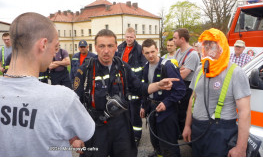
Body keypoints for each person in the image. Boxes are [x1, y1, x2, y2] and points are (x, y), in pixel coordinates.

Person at [0, 12, 95, 156]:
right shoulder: (62, 98)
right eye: (55, 46)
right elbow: (87, 132)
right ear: (43, 44)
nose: (54, 52)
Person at [74, 29, 179, 157]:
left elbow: (140, 88)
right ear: (95, 47)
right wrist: (75, 136)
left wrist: (158, 85)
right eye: (101, 46)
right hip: (95, 127)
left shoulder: (122, 67)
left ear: (116, 47)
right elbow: (75, 103)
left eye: (110, 46)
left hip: (121, 125)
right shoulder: (86, 69)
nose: (106, 50)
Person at [182, 28, 251, 157]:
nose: (209, 51)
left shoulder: (235, 72)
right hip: (198, 130)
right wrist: (187, 126)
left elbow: (244, 112)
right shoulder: (200, 70)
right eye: (206, 47)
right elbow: (193, 98)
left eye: (213, 47)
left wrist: (241, 148)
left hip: (220, 133)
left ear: (222, 48)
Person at [140, 39, 186, 157]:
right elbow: (146, 89)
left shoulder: (168, 66)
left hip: (167, 111)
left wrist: (166, 103)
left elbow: (181, 90)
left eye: (152, 52)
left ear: (157, 50)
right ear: (143, 53)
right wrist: (143, 106)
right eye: (147, 53)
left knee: (169, 145)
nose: (150, 55)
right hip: (152, 109)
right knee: (156, 142)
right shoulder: (145, 68)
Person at [117, 27, 147, 146]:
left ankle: (136, 136)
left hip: (135, 84)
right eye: (127, 37)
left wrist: (141, 84)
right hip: (122, 84)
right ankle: (127, 134)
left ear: (135, 37)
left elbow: (144, 68)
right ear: (125, 36)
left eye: (131, 37)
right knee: (124, 112)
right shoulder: (120, 48)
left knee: (135, 113)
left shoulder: (139, 50)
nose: (129, 39)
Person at [173, 28, 200, 137]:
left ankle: (187, 135)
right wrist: (178, 70)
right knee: (178, 111)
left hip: (188, 87)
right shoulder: (179, 52)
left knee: (185, 113)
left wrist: (176, 71)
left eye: (175, 38)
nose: (173, 40)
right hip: (180, 86)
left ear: (182, 39)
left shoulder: (192, 55)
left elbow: (182, 76)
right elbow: (174, 70)